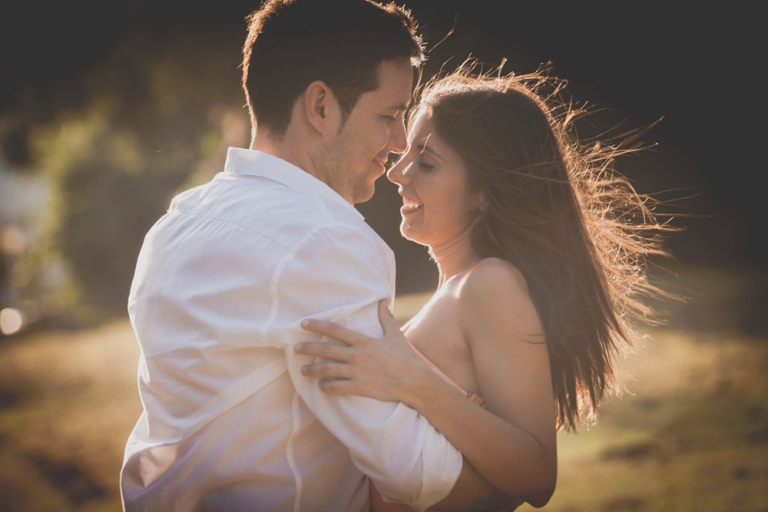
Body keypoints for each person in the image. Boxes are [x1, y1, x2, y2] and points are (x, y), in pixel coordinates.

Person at [120, 1, 517, 511]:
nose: (398, 143)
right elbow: (416, 472)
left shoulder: (176, 224)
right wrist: (513, 476)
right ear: (321, 107)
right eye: (390, 116)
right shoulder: (323, 240)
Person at [295, 63, 672, 509]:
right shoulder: (460, 290)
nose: (399, 174)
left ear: (484, 193)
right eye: (407, 153)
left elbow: (535, 476)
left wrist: (411, 381)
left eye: (427, 163)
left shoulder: (491, 285)